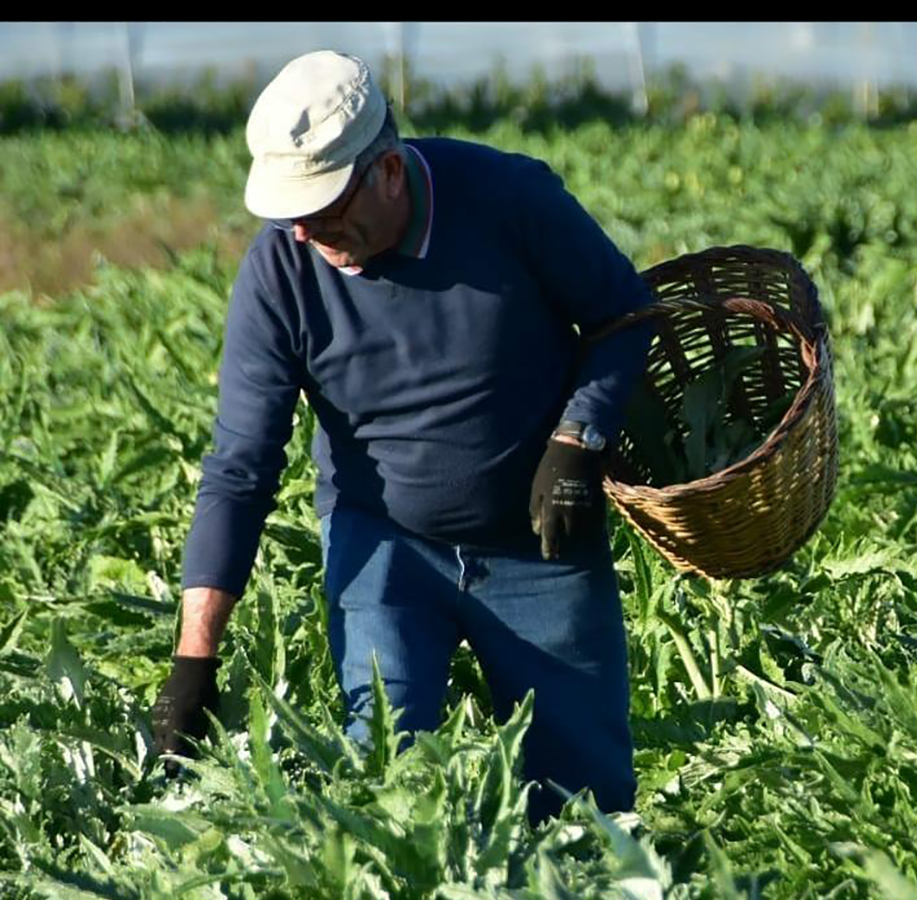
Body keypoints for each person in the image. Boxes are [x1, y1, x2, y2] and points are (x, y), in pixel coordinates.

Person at [148, 49, 653, 823]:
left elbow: (625, 313)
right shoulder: (282, 270)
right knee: (389, 797)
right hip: (381, 544)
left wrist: (578, 438)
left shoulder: (507, 198)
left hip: (538, 544)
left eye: (327, 213)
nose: (312, 236)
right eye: (296, 220)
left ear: (387, 170)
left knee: (586, 804)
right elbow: (240, 468)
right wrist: (193, 661)